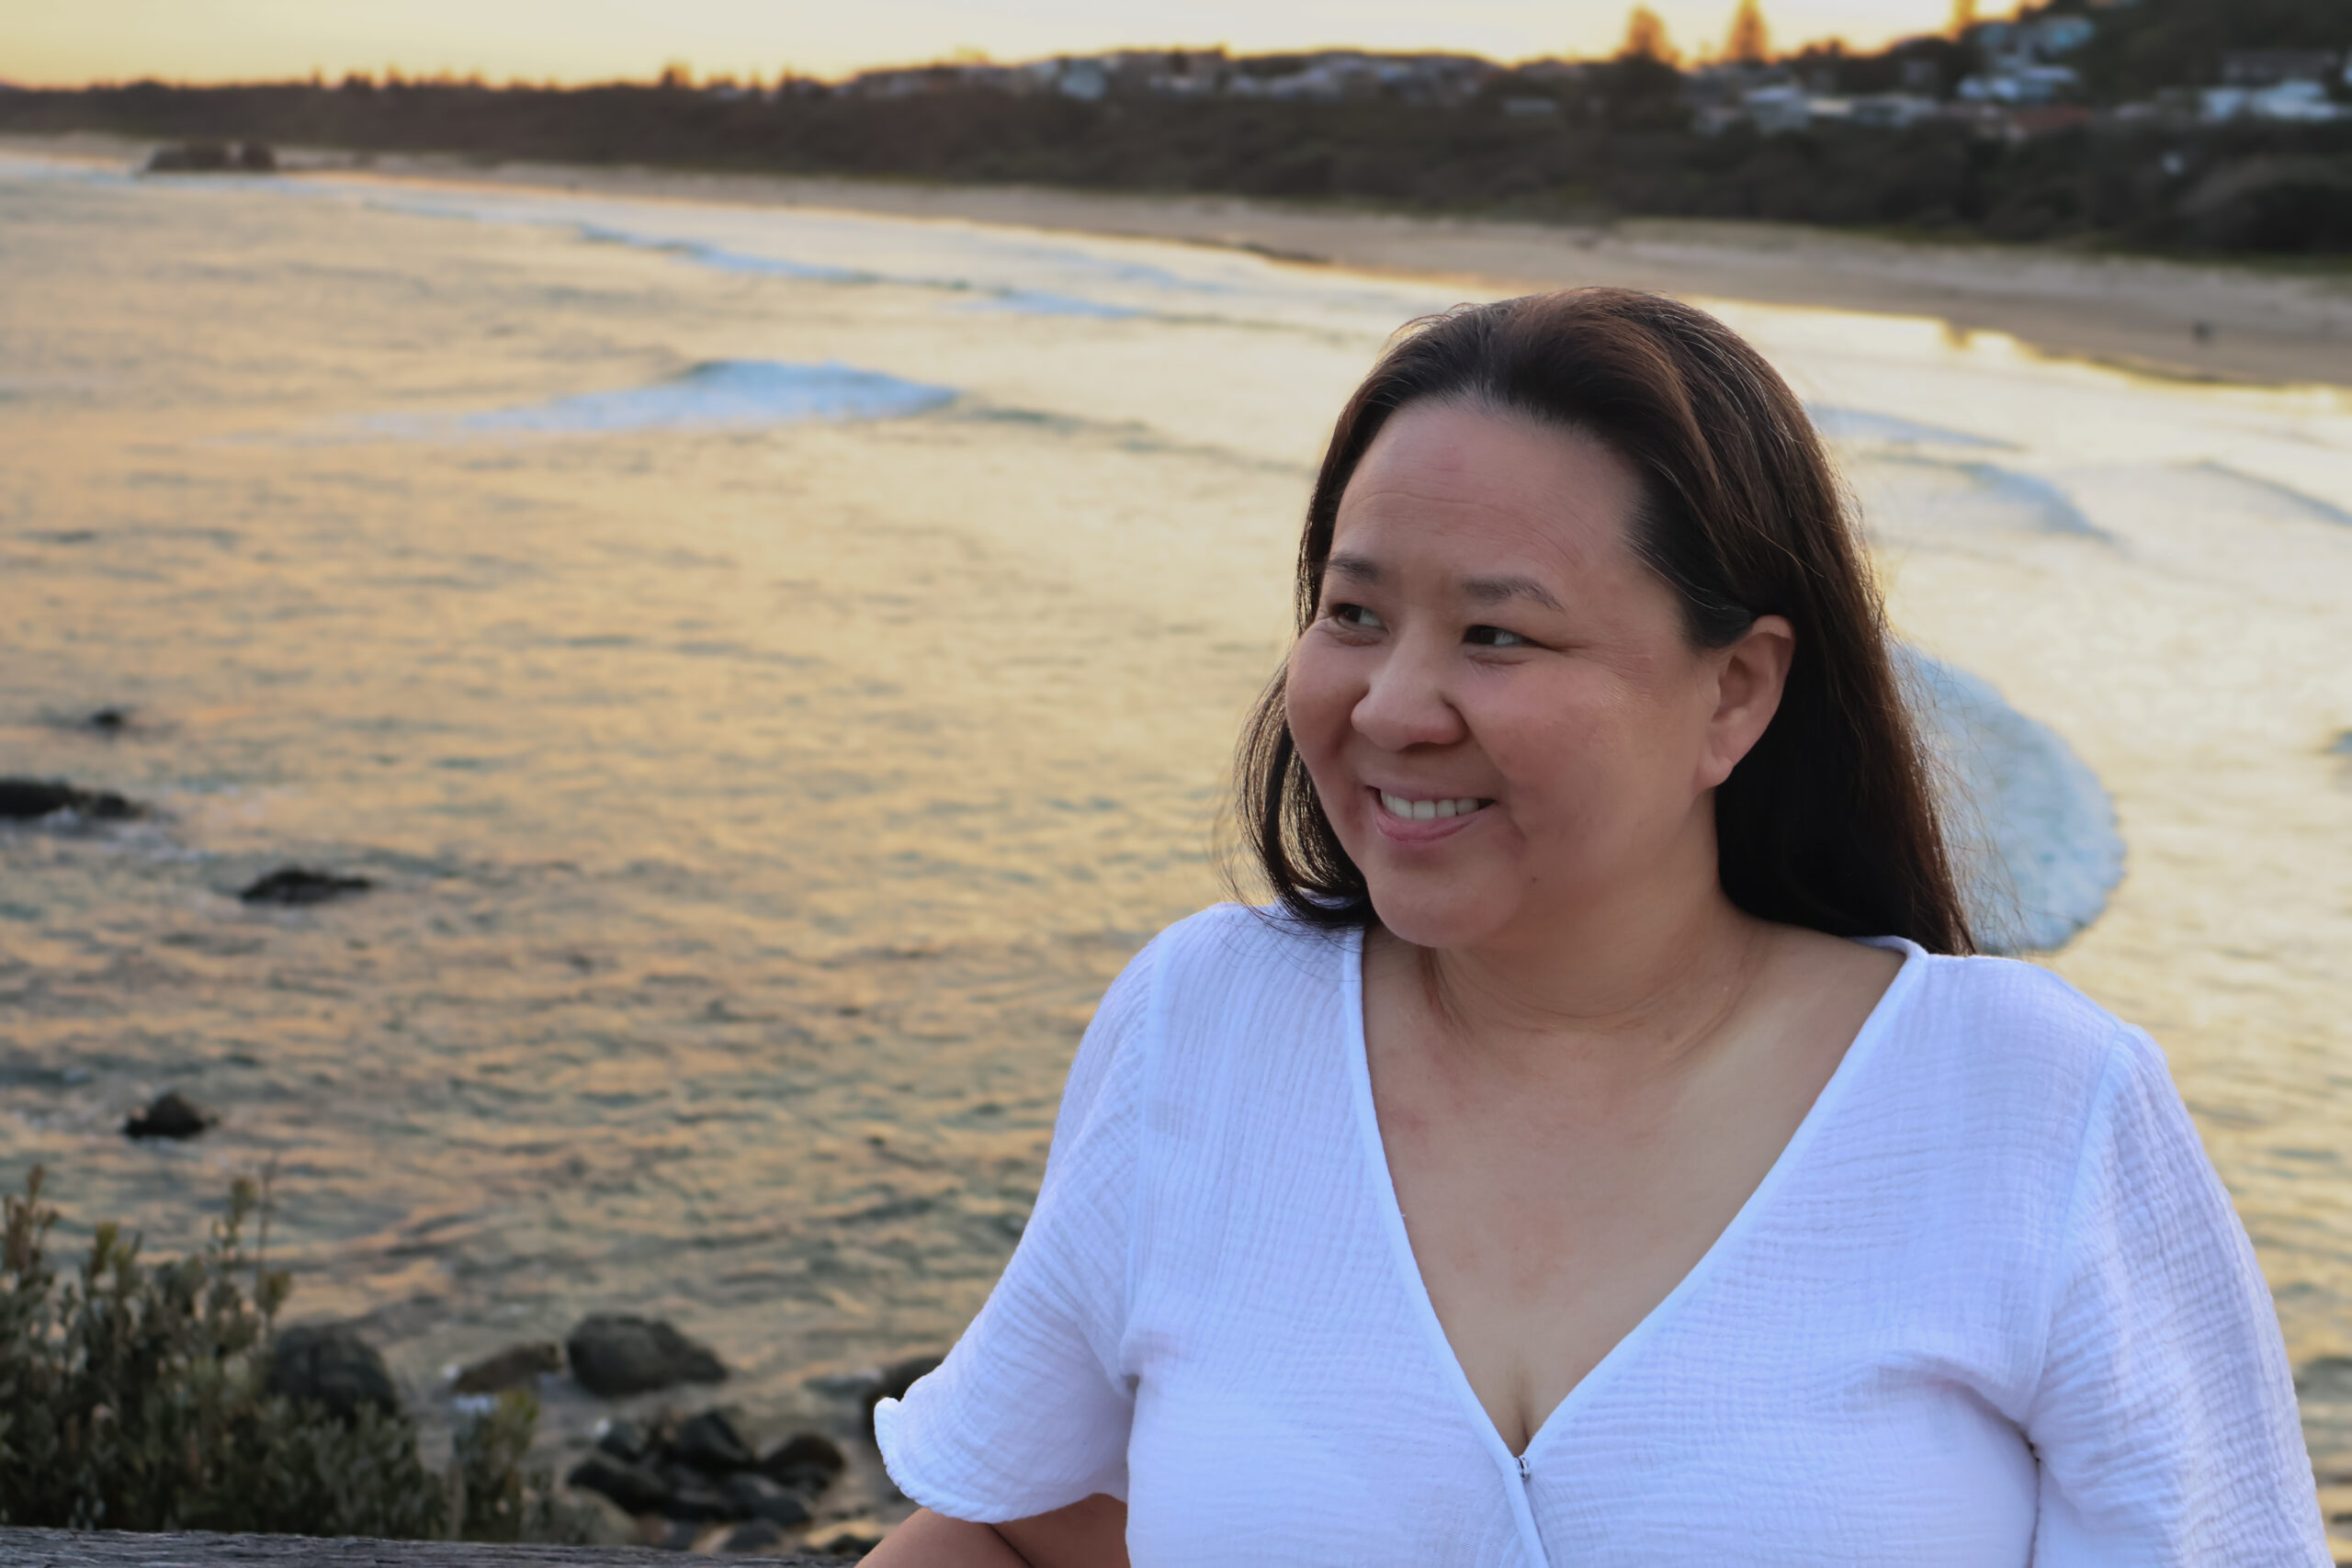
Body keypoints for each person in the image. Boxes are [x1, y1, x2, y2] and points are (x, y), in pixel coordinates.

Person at [865, 288, 2327, 1565]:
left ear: (1735, 692)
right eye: (1354, 614)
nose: (1391, 706)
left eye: (1497, 634)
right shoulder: (1206, 1020)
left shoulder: (2032, 1103)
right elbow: (1010, 1526)